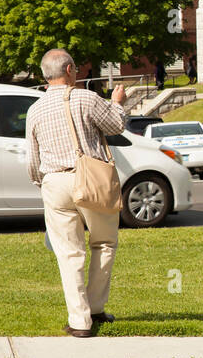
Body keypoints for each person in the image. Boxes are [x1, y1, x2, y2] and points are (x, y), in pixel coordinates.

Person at [26, 50, 127, 337]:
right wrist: (118, 103)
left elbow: (32, 160)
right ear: (69, 69)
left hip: (54, 181)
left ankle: (80, 320)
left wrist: (43, 185)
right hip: (90, 178)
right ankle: (95, 307)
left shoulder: (35, 109)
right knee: (104, 243)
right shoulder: (85, 97)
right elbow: (116, 125)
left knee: (69, 254)